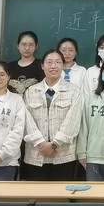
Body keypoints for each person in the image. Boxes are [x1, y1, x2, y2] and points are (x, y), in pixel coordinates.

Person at [23, 50, 83, 181]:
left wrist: (54, 144)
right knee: (36, 193)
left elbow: (73, 121)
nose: (53, 66)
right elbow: (27, 121)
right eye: (49, 62)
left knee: (62, 193)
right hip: (36, 154)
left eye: (58, 62)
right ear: (42, 66)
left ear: (63, 66)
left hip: (64, 155)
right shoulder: (31, 91)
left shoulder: (74, 91)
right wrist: (41, 143)